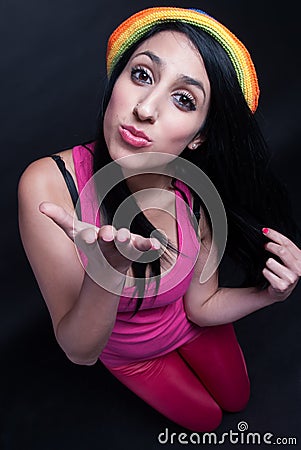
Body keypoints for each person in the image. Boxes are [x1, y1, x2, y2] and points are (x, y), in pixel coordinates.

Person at [17, 7, 301, 432]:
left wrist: (271, 296)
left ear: (200, 135)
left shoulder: (195, 192)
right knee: (206, 422)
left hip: (191, 327)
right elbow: (80, 352)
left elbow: (201, 307)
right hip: (134, 357)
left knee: (239, 398)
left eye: (184, 100)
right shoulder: (50, 185)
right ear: (117, 80)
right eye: (143, 75)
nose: (146, 108)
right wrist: (106, 271)